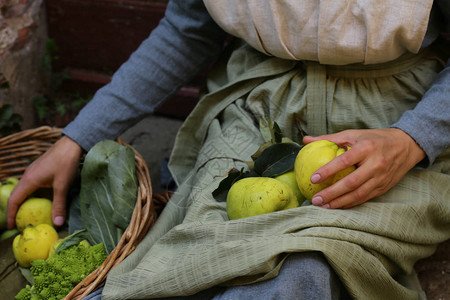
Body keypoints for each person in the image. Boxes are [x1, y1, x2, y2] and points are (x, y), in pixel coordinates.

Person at [7, 0, 450, 299]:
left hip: (393, 114)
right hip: (260, 106)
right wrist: (77, 138)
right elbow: (187, 30)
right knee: (199, 253)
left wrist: (412, 139)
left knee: (305, 268)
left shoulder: (405, 132)